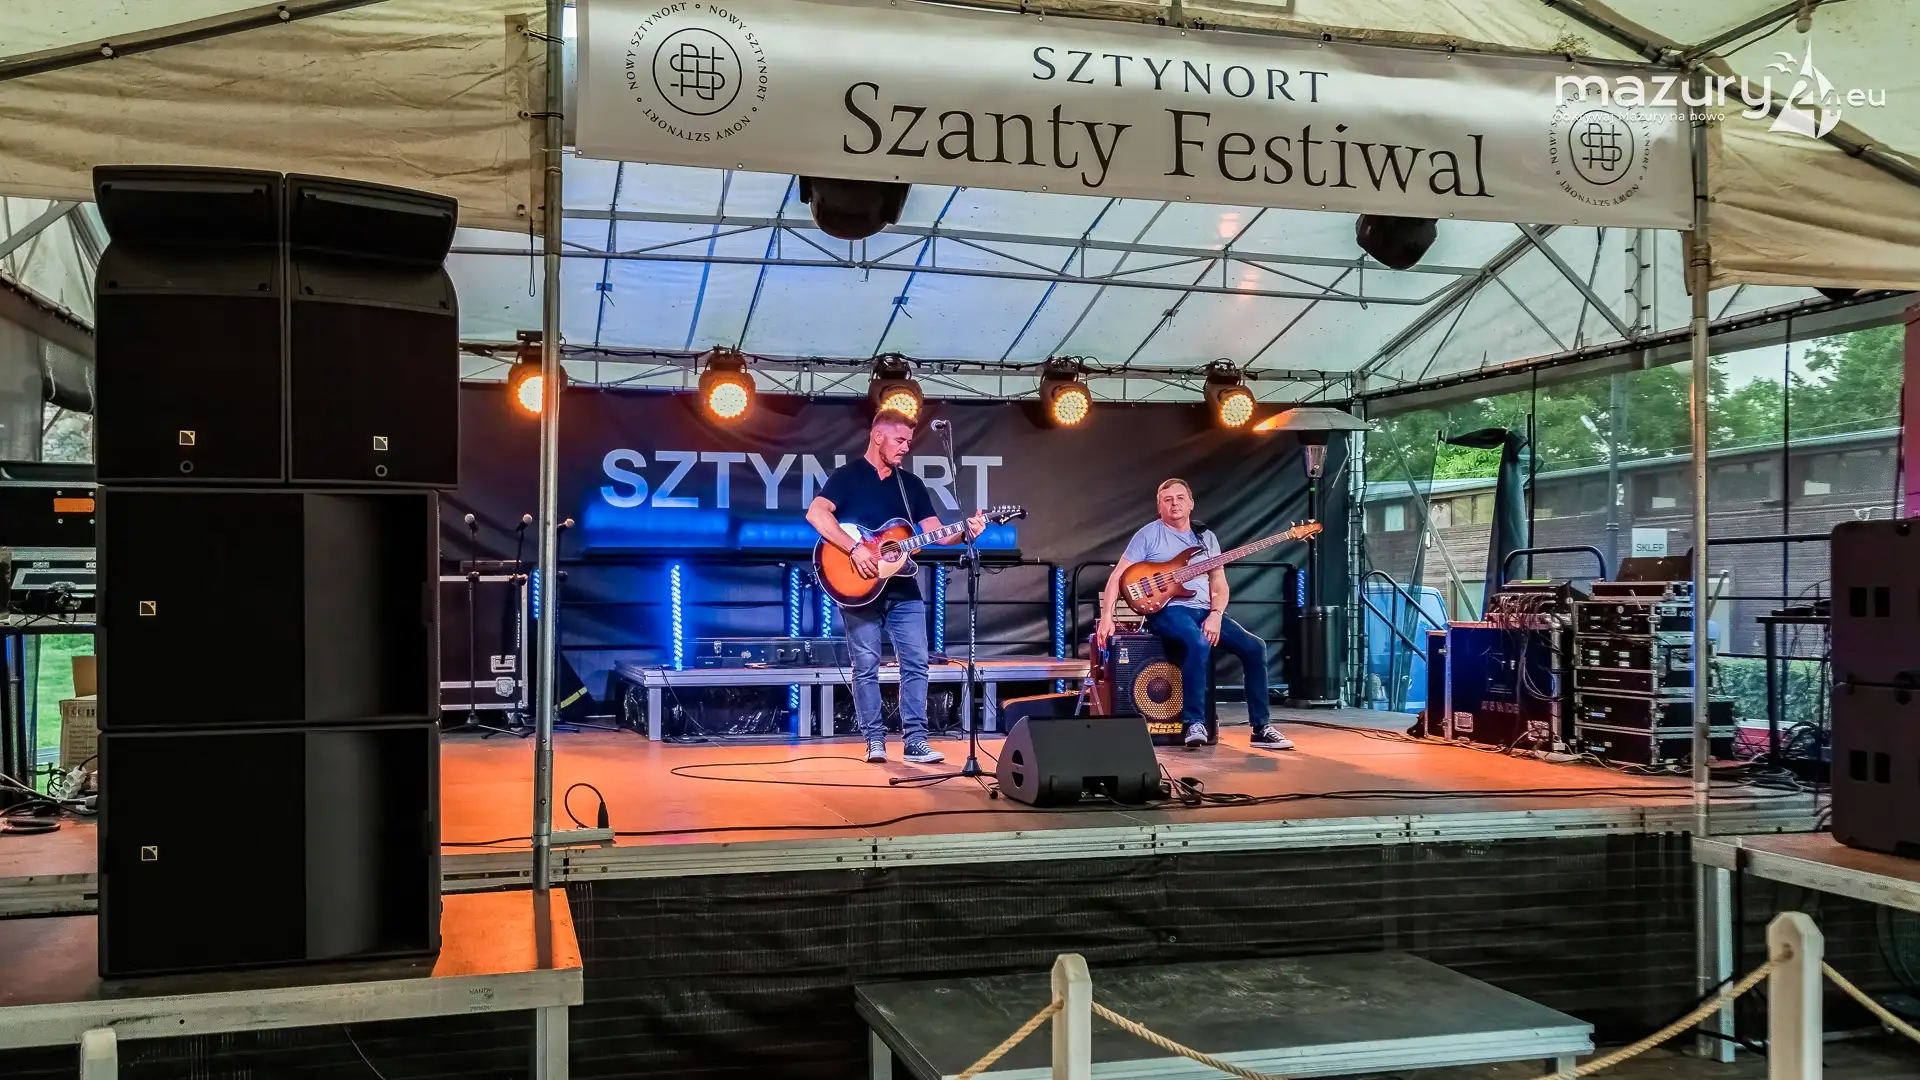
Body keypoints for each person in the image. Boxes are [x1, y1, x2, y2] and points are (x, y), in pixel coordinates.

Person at [806, 411, 985, 764]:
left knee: (916, 663)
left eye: (908, 442)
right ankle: (874, 740)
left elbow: (936, 533)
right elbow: (816, 514)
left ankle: (916, 741)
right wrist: (854, 548)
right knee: (866, 666)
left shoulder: (911, 485)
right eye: (900, 440)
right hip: (858, 588)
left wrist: (966, 531)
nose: (905, 447)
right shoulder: (848, 477)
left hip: (903, 588)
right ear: (878, 437)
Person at [1094, 478, 1293, 751]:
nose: (1174, 503)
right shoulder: (1148, 535)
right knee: (1198, 643)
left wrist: (1216, 614)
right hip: (1168, 610)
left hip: (1205, 610)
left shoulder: (1206, 537)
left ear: (1191, 503)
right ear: (1159, 506)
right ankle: (1194, 723)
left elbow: (1219, 584)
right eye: (1167, 500)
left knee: (1255, 647)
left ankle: (1261, 728)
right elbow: (1118, 576)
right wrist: (1106, 616)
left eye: (1180, 498)